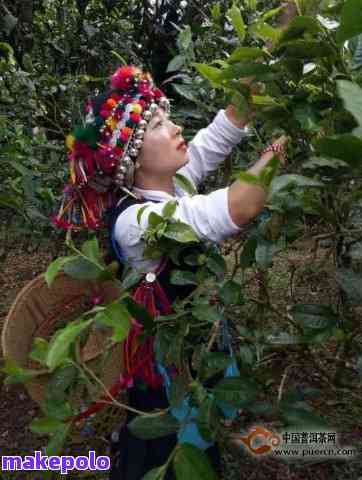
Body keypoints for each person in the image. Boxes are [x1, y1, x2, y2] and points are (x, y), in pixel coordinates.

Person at [54, 64, 287, 479]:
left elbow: (228, 123)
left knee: (201, 438)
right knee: (171, 452)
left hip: (194, 349)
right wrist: (285, 146)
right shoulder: (135, 222)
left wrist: (277, 42)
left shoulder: (172, 184)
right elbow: (237, 207)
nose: (176, 126)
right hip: (167, 372)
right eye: (159, 123)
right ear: (133, 156)